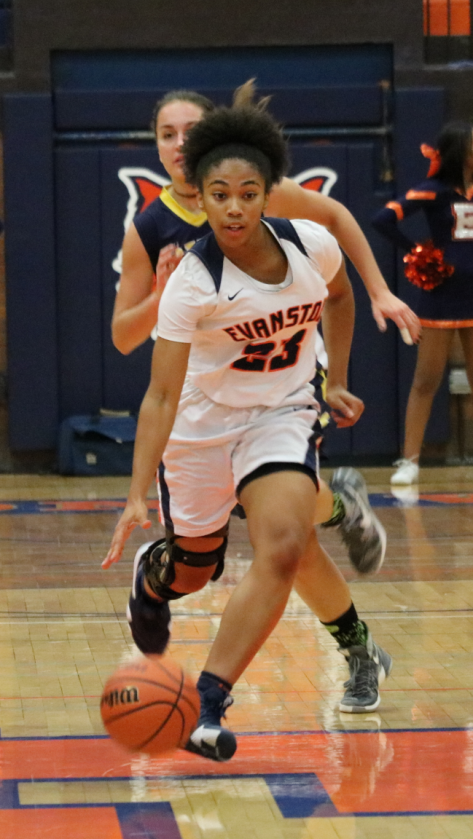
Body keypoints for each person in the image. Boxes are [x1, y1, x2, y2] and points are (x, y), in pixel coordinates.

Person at [102, 101, 392, 763]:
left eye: (247, 195)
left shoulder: (308, 244)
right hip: (201, 430)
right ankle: (157, 577)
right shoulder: (189, 282)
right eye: (219, 197)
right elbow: (160, 393)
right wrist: (136, 494)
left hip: (281, 413)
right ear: (200, 199)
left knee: (286, 545)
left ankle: (208, 702)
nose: (233, 209)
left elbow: (340, 293)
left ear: (268, 194)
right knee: (195, 570)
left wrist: (337, 378)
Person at [112, 84, 420, 356]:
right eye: (167, 135)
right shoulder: (148, 229)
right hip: (211, 381)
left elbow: (336, 215)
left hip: (282, 367)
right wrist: (158, 299)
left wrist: (379, 291)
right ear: (157, 146)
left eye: (190, 131)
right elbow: (123, 339)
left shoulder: (260, 192)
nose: (179, 143)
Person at [373, 121, 473, 485]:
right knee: (426, 379)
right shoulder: (434, 191)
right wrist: (416, 251)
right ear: (459, 152)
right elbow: (383, 218)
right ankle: (410, 461)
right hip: (442, 296)